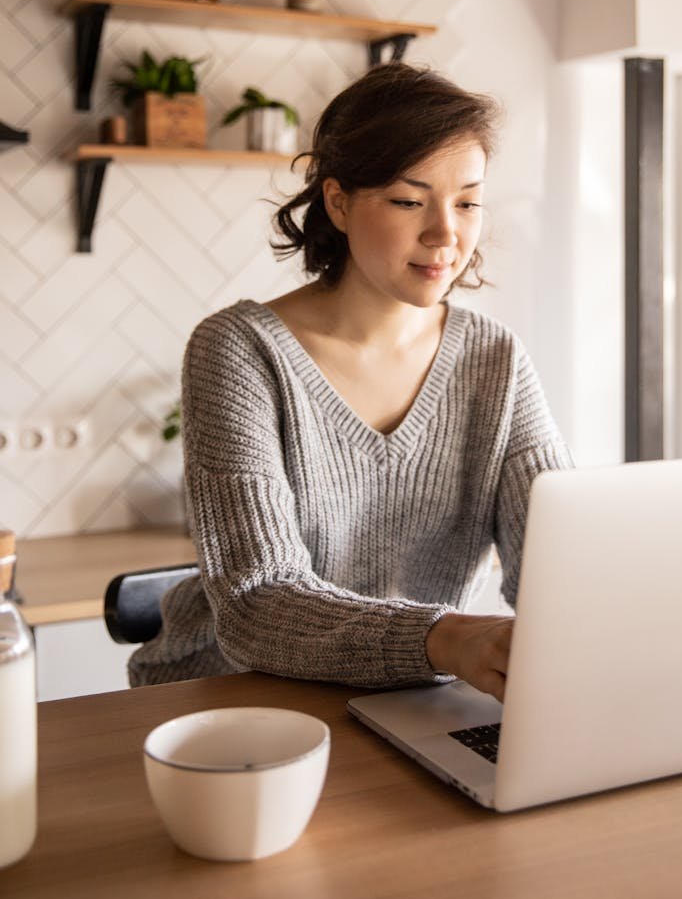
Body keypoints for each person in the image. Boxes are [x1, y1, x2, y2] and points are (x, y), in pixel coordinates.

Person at [129, 62, 573, 698]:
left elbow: (561, 560)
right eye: (408, 200)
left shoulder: (494, 359)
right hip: (226, 700)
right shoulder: (238, 351)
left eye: (468, 202)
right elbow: (258, 602)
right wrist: (442, 637)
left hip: (402, 699)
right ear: (338, 202)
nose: (446, 234)